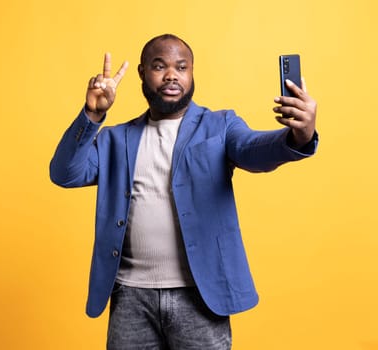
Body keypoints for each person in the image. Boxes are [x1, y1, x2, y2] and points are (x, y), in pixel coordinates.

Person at [50, 34, 318, 350]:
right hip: (130, 297)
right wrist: (92, 115)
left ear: (191, 73)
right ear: (142, 73)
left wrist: (299, 137)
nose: (171, 75)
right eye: (159, 66)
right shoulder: (114, 139)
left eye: (182, 67)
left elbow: (254, 149)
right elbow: (65, 173)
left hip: (200, 296)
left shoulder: (220, 125)